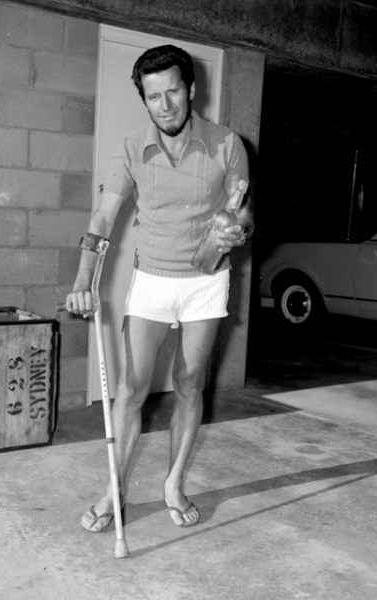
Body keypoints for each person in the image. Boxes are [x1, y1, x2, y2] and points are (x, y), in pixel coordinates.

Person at [65, 44, 253, 530]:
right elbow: (104, 216)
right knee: (131, 389)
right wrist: (84, 278)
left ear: (191, 90)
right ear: (144, 100)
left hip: (206, 283)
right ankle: (114, 490)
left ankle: (173, 482)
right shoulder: (131, 148)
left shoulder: (227, 144)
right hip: (151, 280)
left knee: (191, 384)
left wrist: (240, 229)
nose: (165, 105)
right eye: (153, 97)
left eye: (173, 92)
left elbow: (244, 209)